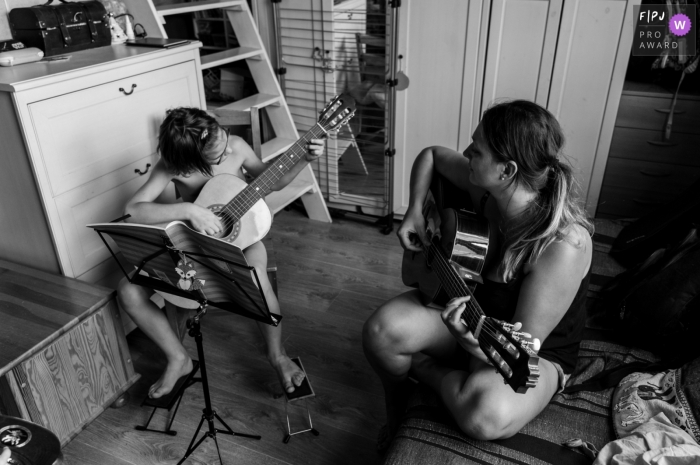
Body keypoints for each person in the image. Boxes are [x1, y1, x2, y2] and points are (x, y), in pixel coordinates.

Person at [363, 100, 594, 449]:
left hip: (533, 353)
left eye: (478, 149)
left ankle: (425, 371)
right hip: (472, 312)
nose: (468, 151)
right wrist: (413, 211)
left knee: (486, 415)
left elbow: (521, 352)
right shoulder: (484, 189)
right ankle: (396, 415)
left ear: (506, 170)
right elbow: (432, 155)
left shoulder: (562, 246)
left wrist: (468, 343)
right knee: (380, 331)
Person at [118, 107, 325, 399]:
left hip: (244, 241)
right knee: (128, 291)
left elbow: (272, 181)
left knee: (256, 279)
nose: (227, 150)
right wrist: (189, 209)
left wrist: (304, 158)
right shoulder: (174, 166)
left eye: (224, 137)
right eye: (217, 153)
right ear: (190, 160)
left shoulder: (236, 147)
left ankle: (278, 356)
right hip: (197, 248)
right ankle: (178, 358)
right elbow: (132, 210)